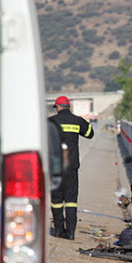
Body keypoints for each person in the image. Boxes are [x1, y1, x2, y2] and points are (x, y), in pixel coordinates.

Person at [48, 95, 95, 239]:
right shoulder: (77, 121)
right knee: (71, 201)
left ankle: (58, 230)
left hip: (55, 168)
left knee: (56, 201)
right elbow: (90, 134)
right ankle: (70, 233)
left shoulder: (50, 122)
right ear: (69, 107)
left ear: (58, 107)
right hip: (72, 167)